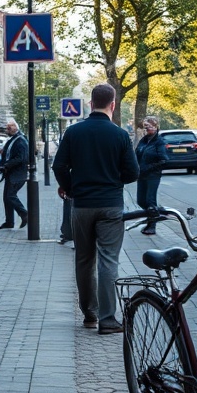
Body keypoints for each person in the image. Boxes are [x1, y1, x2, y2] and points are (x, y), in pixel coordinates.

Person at [52, 84, 139, 335]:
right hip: (111, 205)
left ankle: (89, 314)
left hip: (82, 205)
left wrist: (68, 187)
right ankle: (108, 319)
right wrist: (112, 180)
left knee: (84, 259)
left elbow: (59, 165)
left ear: (90, 104)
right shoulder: (120, 135)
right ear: (113, 105)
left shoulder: (74, 132)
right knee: (108, 260)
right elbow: (133, 172)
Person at [135, 115, 168, 235]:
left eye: (148, 127)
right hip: (141, 176)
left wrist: (148, 168)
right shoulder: (143, 141)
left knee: (150, 200)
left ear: (155, 127)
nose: (145, 130)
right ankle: (156, 213)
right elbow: (136, 155)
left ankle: (152, 225)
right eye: (144, 127)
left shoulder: (159, 142)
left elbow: (164, 160)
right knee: (140, 200)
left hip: (152, 176)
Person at [0, 119, 29, 229]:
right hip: (11, 174)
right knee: (7, 197)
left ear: (15, 128)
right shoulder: (14, 139)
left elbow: (21, 158)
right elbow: (7, 154)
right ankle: (9, 222)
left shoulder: (20, 140)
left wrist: (6, 165)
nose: (7, 130)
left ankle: (24, 214)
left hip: (17, 174)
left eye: (9, 128)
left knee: (10, 196)